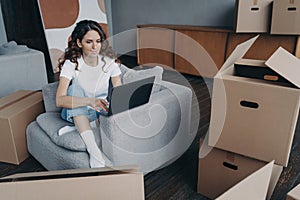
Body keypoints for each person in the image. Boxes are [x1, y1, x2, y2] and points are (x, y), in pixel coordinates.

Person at [56, 19, 122, 168]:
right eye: (89, 42)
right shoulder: (72, 64)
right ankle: (93, 150)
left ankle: (86, 125)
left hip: (99, 111)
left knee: (110, 104)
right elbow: (60, 100)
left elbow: (118, 89)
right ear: (79, 43)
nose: (95, 47)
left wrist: (118, 104)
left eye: (98, 41)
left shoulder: (109, 61)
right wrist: (89, 101)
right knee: (75, 88)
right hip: (74, 110)